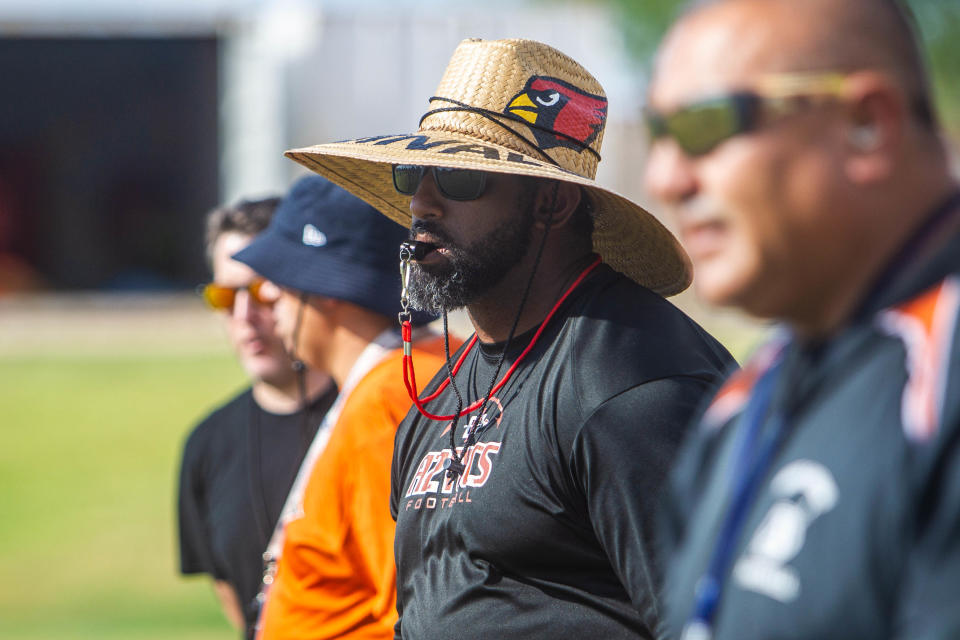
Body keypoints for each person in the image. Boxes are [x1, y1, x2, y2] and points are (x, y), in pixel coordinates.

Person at [278, 38, 734, 638]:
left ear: (552, 202)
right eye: (414, 171)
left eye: (461, 179)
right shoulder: (440, 394)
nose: (422, 203)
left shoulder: (629, 385)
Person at [642, 1, 960, 638]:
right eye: (659, 136)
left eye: (706, 124)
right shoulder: (741, 400)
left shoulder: (940, 379)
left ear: (868, 125)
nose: (665, 178)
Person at [232, 175, 448, 639]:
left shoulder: (386, 396)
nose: (268, 296)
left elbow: (408, 607)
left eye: (282, 279)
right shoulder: (404, 374)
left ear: (326, 287)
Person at [177, 197, 337, 639]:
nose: (245, 317)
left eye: (263, 290)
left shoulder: (367, 414)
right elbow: (236, 604)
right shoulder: (206, 444)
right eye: (224, 296)